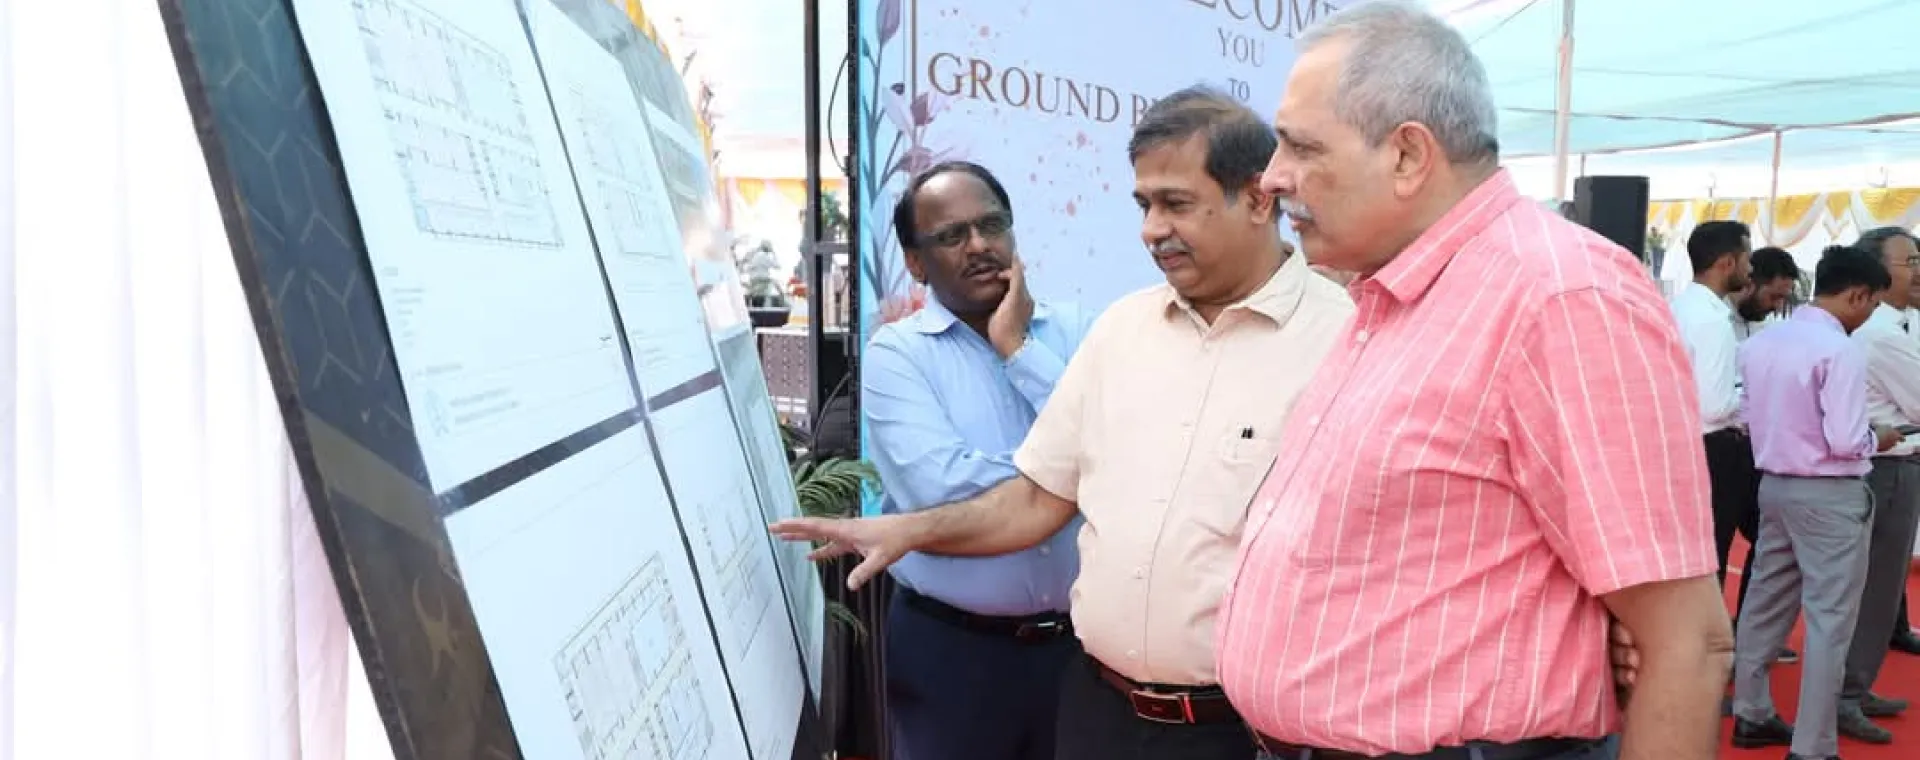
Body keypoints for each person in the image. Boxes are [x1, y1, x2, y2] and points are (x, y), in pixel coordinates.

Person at [1216, 4, 1729, 760]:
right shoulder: (1390, 296)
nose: (1273, 176)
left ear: (1407, 156)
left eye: (1299, 145)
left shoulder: (1561, 297)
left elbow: (1686, 640)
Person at [783, 86, 1357, 760]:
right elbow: (1040, 494)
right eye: (1144, 205)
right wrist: (911, 529)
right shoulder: (1123, 330)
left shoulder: (1348, 341)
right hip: (1095, 710)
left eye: (1175, 203)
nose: (1151, 229)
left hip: (1250, 734)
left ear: (1260, 199)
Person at [861, 160, 1092, 760]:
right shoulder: (898, 356)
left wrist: (1019, 349)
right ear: (916, 263)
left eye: (993, 225)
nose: (980, 246)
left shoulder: (1078, 330)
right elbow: (940, 493)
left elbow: (1119, 452)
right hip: (954, 655)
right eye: (951, 235)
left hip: (1082, 652)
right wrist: (1071, 469)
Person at [1732, 245, 1899, 760]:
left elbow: (1743, 412)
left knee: (1764, 604)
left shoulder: (1763, 342)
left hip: (1774, 485)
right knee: (1829, 620)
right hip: (1829, 494)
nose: (1870, 314)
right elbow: (1848, 440)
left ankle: (1751, 711)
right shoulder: (1840, 350)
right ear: (1857, 294)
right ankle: (1813, 746)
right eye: (1872, 304)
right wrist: (1881, 438)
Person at [1834, 227, 1920, 744]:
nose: (1918, 269)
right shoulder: (1882, 334)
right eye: (1909, 260)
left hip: (1889, 464)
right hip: (1886, 468)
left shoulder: (1893, 327)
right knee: (1876, 590)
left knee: (1879, 591)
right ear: (1878, 271)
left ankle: (1855, 687)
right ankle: (1845, 694)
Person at [1671, 221, 1754, 595]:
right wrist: (1755, 403)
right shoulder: (1712, 321)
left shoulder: (1681, 307)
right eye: (1747, 259)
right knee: (1711, 555)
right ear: (1726, 263)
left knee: (1689, 555)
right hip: (1713, 450)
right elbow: (1715, 406)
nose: (1751, 269)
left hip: (1683, 445)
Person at [1732, 246, 1801, 341]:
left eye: (1784, 299)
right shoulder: (1716, 319)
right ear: (1750, 283)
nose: (1778, 307)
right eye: (1774, 297)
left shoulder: (1769, 326)